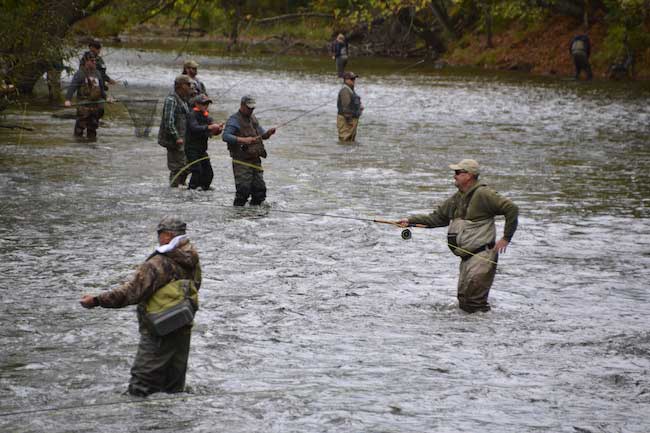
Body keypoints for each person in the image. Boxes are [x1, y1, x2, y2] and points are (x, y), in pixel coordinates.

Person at [80, 216, 202, 396]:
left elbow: (130, 293)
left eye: (159, 234)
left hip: (158, 328)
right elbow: (196, 284)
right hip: (183, 326)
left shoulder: (157, 263)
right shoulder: (192, 257)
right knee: (174, 389)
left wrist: (97, 300)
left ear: (167, 236)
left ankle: (140, 423)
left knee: (140, 387)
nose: (158, 238)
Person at [396, 159, 519, 313]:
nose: (454, 176)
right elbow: (437, 218)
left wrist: (506, 238)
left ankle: (485, 333)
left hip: (482, 257)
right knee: (464, 302)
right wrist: (410, 221)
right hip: (467, 258)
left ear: (469, 175)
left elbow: (512, 209)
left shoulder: (484, 194)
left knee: (475, 304)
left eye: (457, 172)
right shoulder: (457, 197)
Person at [222, 95, 276, 206]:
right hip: (241, 160)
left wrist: (268, 134)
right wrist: (243, 140)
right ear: (242, 105)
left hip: (255, 159)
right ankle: (238, 215)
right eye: (249, 108)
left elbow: (262, 135)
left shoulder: (253, 118)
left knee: (260, 190)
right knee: (243, 190)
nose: (251, 110)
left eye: (252, 108)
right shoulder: (234, 120)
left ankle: (255, 216)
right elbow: (225, 136)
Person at [158, 75, 193, 187]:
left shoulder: (184, 100)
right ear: (180, 85)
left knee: (187, 166)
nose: (190, 87)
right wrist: (176, 137)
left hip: (183, 139)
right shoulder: (171, 100)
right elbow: (168, 121)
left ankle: (181, 186)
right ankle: (174, 190)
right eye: (188, 84)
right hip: (174, 141)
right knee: (177, 167)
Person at [185, 94, 224, 190]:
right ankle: (192, 189)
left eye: (207, 104)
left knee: (208, 172)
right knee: (197, 171)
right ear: (197, 104)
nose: (206, 106)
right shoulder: (191, 115)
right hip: (191, 148)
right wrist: (210, 127)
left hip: (202, 149)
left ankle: (204, 188)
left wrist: (218, 129)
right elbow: (194, 128)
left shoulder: (207, 117)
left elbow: (212, 132)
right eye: (203, 104)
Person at [64, 51, 106, 140]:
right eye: (92, 61)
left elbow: (102, 89)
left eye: (95, 60)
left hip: (95, 107)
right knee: (79, 129)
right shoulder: (80, 73)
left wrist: (107, 98)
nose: (94, 62)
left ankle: (91, 148)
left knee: (93, 130)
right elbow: (72, 87)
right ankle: (78, 147)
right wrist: (68, 100)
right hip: (83, 107)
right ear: (86, 61)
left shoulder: (98, 73)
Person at [336, 72, 363, 142]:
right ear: (346, 80)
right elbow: (346, 107)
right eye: (352, 79)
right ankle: (343, 153)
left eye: (354, 79)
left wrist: (359, 106)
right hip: (346, 120)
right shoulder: (345, 90)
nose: (354, 80)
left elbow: (353, 102)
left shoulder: (350, 89)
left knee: (350, 141)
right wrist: (349, 121)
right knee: (345, 140)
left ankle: (350, 153)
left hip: (351, 119)